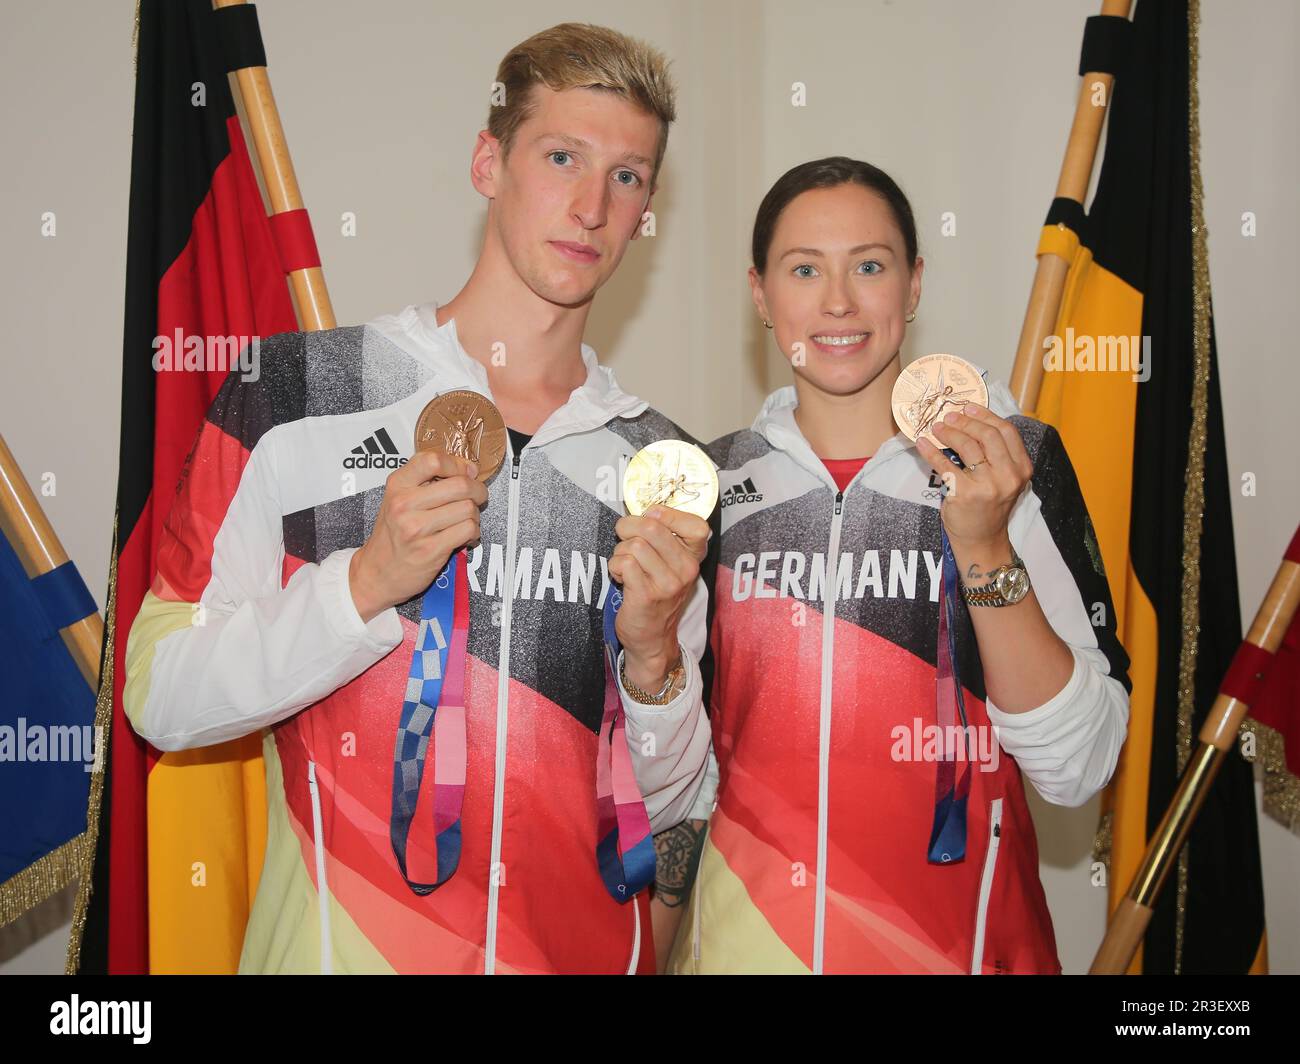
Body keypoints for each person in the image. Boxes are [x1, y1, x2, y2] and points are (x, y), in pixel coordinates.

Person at [123, 22, 712, 975]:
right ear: (490, 161)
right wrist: (364, 585)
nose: (593, 205)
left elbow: (674, 803)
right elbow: (161, 696)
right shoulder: (294, 393)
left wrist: (652, 666)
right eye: (561, 156)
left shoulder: (662, 466)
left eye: (628, 176)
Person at [665, 157, 1131, 974]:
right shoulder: (711, 484)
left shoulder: (1015, 461)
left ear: (914, 286)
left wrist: (985, 547)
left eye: (870, 266)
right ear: (760, 294)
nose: (837, 302)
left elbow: (1079, 767)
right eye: (804, 269)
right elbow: (675, 775)